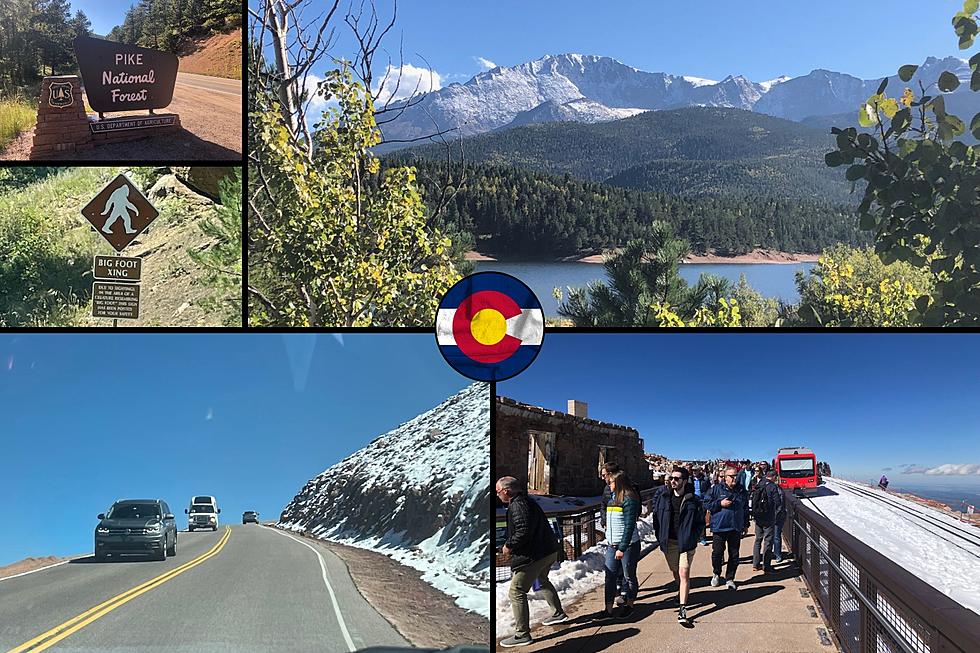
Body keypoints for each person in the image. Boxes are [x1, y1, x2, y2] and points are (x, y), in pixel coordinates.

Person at [497, 476, 567, 648]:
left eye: (498, 492)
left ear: (507, 491)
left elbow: (523, 530)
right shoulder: (527, 502)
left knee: (516, 591)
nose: (497, 495)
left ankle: (522, 634)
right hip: (547, 550)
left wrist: (509, 545)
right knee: (542, 581)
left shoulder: (517, 506)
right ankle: (557, 613)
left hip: (534, 555)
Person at [651, 466, 704, 626]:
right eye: (671, 478)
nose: (672, 481)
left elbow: (700, 522)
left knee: (683, 573)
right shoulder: (663, 497)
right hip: (669, 542)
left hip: (686, 543)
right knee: (675, 571)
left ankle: (683, 609)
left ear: (684, 481)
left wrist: (693, 537)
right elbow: (656, 518)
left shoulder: (693, 500)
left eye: (676, 478)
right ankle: (681, 591)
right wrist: (660, 537)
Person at [600, 469, 641, 620]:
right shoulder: (611, 499)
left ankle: (629, 605)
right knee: (609, 576)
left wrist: (622, 548)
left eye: (610, 482)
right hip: (612, 544)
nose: (608, 485)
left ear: (618, 483)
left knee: (629, 576)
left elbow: (629, 526)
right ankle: (608, 609)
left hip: (628, 545)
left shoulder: (629, 499)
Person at [704, 466, 747, 590]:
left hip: (735, 527)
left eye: (735, 476)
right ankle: (716, 573)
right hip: (719, 527)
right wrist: (720, 503)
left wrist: (745, 524)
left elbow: (744, 509)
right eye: (731, 476)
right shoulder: (716, 489)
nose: (734, 478)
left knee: (734, 555)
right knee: (717, 553)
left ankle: (730, 578)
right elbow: (706, 503)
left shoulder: (741, 490)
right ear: (725, 477)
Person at [599, 463, 626, 605]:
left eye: (604, 475)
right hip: (611, 532)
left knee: (625, 566)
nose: (602, 478)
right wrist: (604, 519)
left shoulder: (628, 488)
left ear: (611, 474)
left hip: (623, 533)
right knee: (611, 566)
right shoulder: (606, 489)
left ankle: (624, 591)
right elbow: (603, 505)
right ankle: (612, 596)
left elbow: (635, 508)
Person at [751, 470, 785, 573]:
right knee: (768, 542)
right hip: (768, 518)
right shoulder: (773, 486)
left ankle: (755, 564)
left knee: (757, 540)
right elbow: (778, 502)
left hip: (758, 517)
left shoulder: (760, 483)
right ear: (774, 477)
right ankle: (766, 566)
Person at [690, 468, 711, 546]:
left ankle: (702, 537)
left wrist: (707, 498)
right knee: (693, 519)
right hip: (693, 501)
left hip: (702, 501)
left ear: (699, 471)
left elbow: (709, 490)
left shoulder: (705, 479)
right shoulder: (690, 479)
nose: (694, 472)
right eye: (693, 470)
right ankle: (695, 537)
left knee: (702, 519)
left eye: (696, 470)